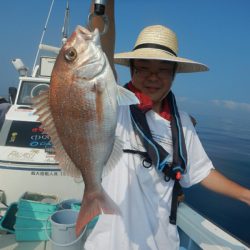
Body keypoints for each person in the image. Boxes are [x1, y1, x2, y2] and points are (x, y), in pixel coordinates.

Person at [83, 1, 250, 249]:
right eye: (143, 68)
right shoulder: (113, 106)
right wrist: (105, 5)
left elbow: (203, 173)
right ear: (130, 70)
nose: (153, 77)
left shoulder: (182, 121)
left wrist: (246, 195)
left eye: (162, 70)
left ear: (174, 74)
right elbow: (101, 49)